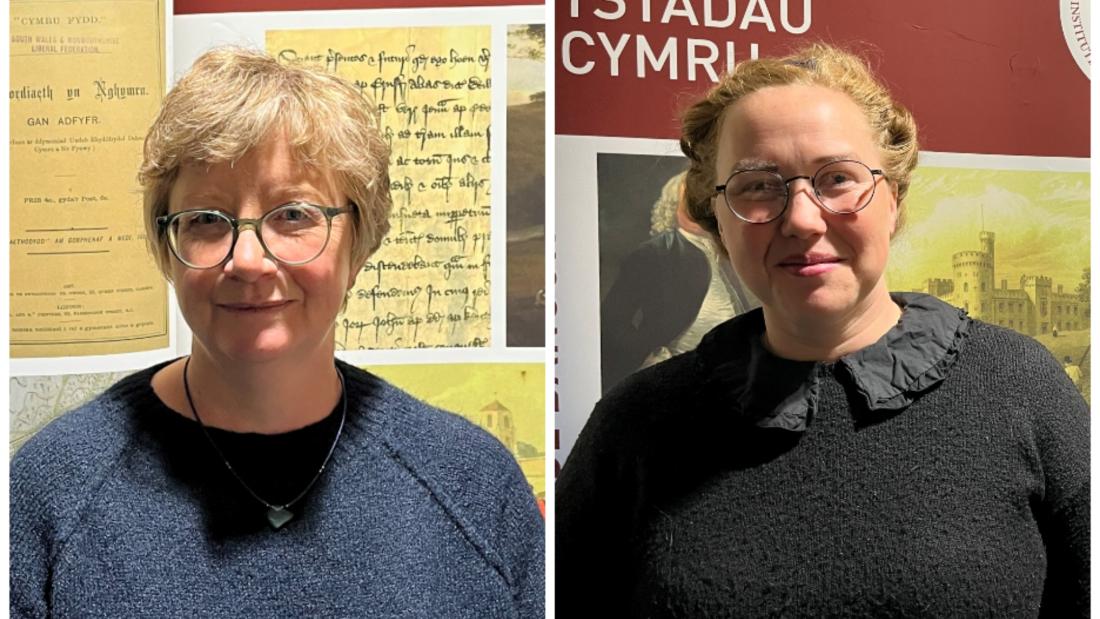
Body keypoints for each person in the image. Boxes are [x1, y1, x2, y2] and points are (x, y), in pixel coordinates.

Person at [557, 43, 1088, 617]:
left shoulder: (1020, 389)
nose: (803, 218)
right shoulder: (638, 421)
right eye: (758, 186)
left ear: (894, 199)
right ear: (718, 220)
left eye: (837, 178)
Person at [10, 47, 544, 617]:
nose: (247, 260)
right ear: (167, 249)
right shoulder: (52, 492)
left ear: (358, 244)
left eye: (293, 215)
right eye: (207, 221)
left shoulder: (474, 485)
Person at [600, 171, 755, 391]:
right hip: (681, 377)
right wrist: (653, 354)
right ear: (674, 204)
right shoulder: (655, 253)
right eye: (690, 198)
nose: (698, 205)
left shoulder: (730, 248)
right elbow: (612, 320)